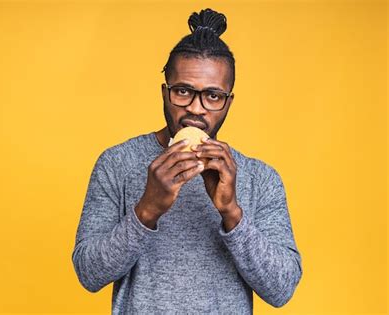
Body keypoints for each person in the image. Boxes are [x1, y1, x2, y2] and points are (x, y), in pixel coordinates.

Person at [72, 8, 303, 314]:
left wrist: (231, 212)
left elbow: (282, 288)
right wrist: (146, 210)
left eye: (213, 96)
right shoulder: (117, 163)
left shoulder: (260, 178)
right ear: (165, 93)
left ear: (228, 102)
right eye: (183, 91)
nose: (196, 109)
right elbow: (89, 274)